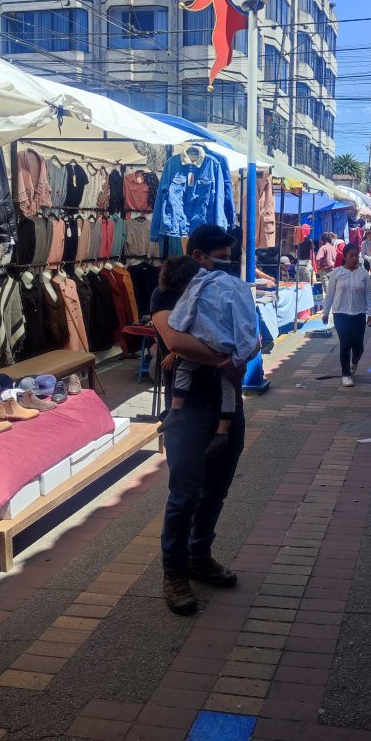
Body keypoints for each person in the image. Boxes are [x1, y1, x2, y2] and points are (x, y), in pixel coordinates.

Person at [151, 225, 247, 616]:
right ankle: (174, 572)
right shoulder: (167, 293)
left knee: (215, 492)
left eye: (228, 255)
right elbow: (175, 341)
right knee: (184, 495)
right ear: (198, 255)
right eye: (219, 254)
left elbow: (251, 333)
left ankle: (199, 555)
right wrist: (226, 357)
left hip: (228, 406)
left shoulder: (228, 287)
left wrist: (244, 352)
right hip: (187, 410)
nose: (225, 262)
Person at [165, 257, 259, 459]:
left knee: (184, 367)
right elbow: (249, 324)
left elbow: (179, 326)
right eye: (223, 255)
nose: (224, 261)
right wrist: (240, 354)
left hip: (205, 341)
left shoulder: (194, 287)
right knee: (229, 384)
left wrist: (177, 349)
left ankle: (175, 411)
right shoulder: (236, 284)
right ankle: (223, 430)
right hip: (229, 345)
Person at [322, 243, 371, 387]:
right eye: (351, 255)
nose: (354, 258)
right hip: (341, 313)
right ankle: (345, 374)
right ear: (345, 256)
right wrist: (325, 312)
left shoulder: (363, 273)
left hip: (359, 313)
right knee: (345, 343)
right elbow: (330, 294)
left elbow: (368, 294)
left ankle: (354, 362)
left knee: (358, 345)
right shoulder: (337, 273)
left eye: (356, 255)